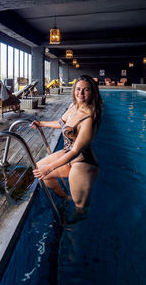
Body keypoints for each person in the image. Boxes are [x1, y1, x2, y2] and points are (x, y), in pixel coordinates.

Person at [31, 75, 103, 213]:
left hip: (82, 162)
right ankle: (65, 199)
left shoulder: (89, 118)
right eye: (78, 89)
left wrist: (50, 167)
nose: (81, 93)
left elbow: (75, 151)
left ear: (92, 92)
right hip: (67, 153)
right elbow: (61, 123)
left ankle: (74, 232)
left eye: (86, 90)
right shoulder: (73, 106)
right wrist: (42, 123)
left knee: (80, 209)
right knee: (41, 172)